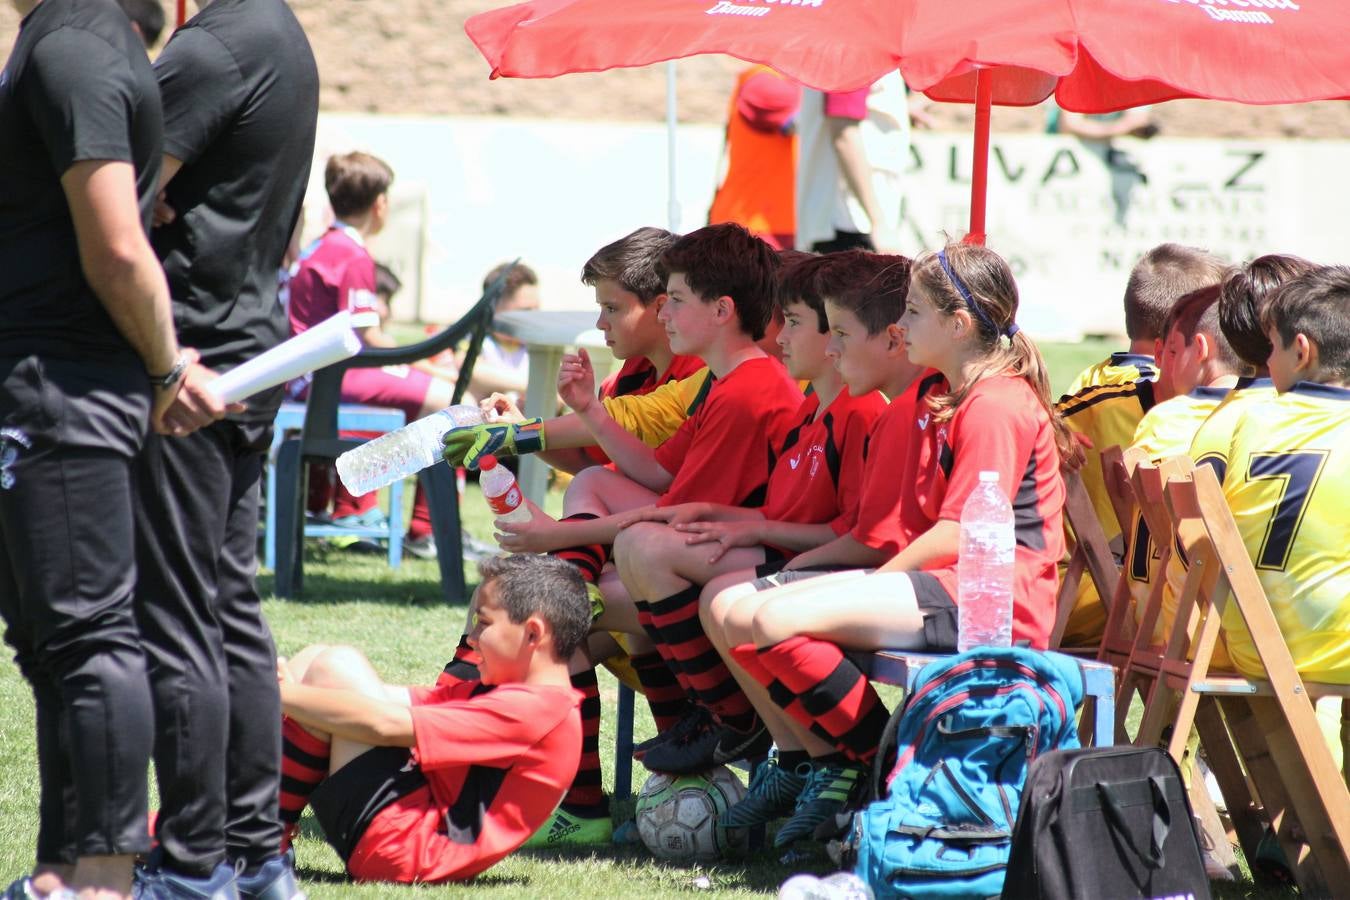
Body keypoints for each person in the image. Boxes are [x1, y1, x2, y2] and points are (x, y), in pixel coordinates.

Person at [713, 241, 1073, 844]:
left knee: (771, 619)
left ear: (957, 326)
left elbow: (959, 532)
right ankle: (843, 765)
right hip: (953, 588)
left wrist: (875, 583)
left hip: (991, 606)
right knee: (747, 611)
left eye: (912, 313)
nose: (901, 328)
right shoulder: (963, 396)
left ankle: (866, 768)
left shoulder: (995, 403)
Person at [0, 0, 222, 896]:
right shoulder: (67, 40)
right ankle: (63, 870)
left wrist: (166, 368)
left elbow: (119, 249)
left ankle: (102, 877)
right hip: (48, 379)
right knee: (51, 640)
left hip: (64, 385)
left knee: (88, 636)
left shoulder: (78, 46)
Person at [134, 0, 319, 894]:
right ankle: (254, 854)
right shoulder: (277, 36)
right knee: (223, 612)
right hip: (244, 351)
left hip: (191, 364)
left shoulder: (209, 51)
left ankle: (195, 861)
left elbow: (101, 200)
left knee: (180, 618)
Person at [610, 252, 890, 775]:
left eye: (794, 322)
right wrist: (728, 517)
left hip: (836, 571)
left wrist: (543, 541)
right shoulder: (813, 406)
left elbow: (860, 534)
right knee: (633, 555)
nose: (778, 335)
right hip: (788, 556)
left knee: (627, 581)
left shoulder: (854, 408)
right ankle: (786, 754)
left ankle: (810, 753)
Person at [275, 553, 590, 883]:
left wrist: (274, 694)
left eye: (483, 623)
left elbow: (385, 725)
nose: (471, 638)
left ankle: (261, 844)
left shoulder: (537, 710)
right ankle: (257, 835)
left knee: (333, 668)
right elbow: (388, 699)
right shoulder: (514, 695)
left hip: (407, 849)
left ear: (532, 634)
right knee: (318, 663)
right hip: (401, 829)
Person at [1055, 243, 1228, 645]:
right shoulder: (1120, 410)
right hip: (1083, 590)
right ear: (1175, 340)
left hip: (1109, 581)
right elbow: (1125, 547)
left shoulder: (1098, 384)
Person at [288, 152, 455, 558]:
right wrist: (425, 361)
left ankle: (363, 507)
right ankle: (424, 531)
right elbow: (370, 340)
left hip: (312, 374)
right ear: (380, 204)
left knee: (441, 392)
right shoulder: (352, 254)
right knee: (451, 403)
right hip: (328, 378)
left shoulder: (322, 246)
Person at [1221, 266, 1350, 685]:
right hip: (1328, 647)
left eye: (1271, 348)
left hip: (1253, 646)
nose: (1267, 361)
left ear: (1301, 350)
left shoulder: (1253, 419)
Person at [1124, 284, 1246, 644]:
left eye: (1175, 351)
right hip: (1226, 628)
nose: (1166, 365)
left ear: (1202, 350)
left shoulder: (1163, 419)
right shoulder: (1267, 420)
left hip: (1158, 617)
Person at [794, 72, 909, 253]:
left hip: (849, 221)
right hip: (850, 223)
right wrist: (878, 223)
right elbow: (844, 134)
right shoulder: (855, 49)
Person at [708, 66, 800, 250]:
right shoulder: (764, 83)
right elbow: (818, 122)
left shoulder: (781, 79)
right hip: (759, 229)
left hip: (770, 224)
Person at [462, 262, 542, 407]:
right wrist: (539, 385)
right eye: (525, 310)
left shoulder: (537, 346)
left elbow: (559, 395)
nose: (534, 317)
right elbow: (471, 372)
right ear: (492, 307)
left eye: (536, 309)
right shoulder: (476, 340)